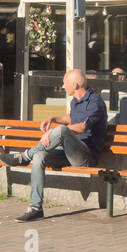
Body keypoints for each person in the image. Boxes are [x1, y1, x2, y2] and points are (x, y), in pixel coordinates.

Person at [14, 69, 108, 223]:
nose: (62, 86)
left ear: (75, 84)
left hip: (86, 155)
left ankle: (25, 156)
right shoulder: (75, 101)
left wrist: (53, 132)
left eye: (64, 83)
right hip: (69, 153)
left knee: (62, 130)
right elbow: (70, 118)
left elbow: (83, 127)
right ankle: (36, 208)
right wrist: (53, 118)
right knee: (39, 157)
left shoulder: (95, 101)